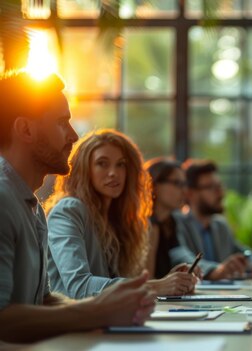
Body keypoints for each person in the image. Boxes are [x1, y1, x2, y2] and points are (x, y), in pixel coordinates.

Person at [0, 71, 155, 343]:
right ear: (25, 129)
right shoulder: (3, 200)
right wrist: (98, 312)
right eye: (62, 123)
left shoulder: (31, 205)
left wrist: (111, 309)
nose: (73, 136)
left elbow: (44, 300)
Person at [45, 129, 197, 299]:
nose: (113, 173)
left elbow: (120, 284)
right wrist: (156, 286)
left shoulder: (118, 218)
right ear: (85, 169)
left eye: (121, 164)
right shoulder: (69, 210)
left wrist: (171, 283)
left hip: (111, 318)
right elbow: (79, 286)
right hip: (73, 321)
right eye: (102, 163)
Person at [178, 160, 252, 280]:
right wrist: (218, 270)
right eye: (211, 187)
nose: (220, 192)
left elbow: (243, 252)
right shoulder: (177, 224)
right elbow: (183, 259)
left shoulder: (220, 225)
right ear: (190, 193)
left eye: (220, 185)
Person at [144, 157, 202, 279]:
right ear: (153, 184)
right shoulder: (147, 226)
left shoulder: (171, 223)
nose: (185, 191)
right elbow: (145, 282)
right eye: (177, 183)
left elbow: (181, 255)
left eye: (184, 184)